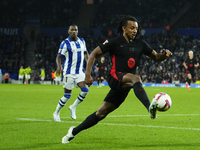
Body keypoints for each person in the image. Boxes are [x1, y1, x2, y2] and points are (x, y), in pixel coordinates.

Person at [61, 15, 172, 144]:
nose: (135, 31)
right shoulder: (114, 42)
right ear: (124, 28)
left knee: (100, 114)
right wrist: (87, 75)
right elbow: (93, 54)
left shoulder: (141, 44)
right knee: (136, 78)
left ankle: (73, 132)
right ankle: (149, 108)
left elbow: (157, 57)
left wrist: (164, 55)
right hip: (115, 77)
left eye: (136, 28)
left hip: (125, 84)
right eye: (132, 28)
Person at [53, 24, 89, 122]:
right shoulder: (65, 43)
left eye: (76, 30)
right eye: (72, 30)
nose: (74, 31)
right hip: (69, 72)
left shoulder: (82, 41)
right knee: (67, 95)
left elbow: (85, 53)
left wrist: (88, 64)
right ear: (68, 31)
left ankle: (73, 107)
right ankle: (56, 112)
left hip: (79, 72)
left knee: (85, 90)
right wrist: (59, 66)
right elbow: (59, 56)